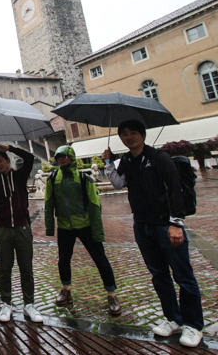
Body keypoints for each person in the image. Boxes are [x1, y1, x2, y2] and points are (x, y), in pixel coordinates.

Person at [103, 120, 204, 348]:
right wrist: (108, 162)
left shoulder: (159, 158)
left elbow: (175, 189)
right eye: (124, 134)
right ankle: (173, 319)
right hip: (142, 226)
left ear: (143, 134)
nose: (129, 137)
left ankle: (194, 325)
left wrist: (176, 223)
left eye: (133, 133)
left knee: (183, 276)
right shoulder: (127, 160)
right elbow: (119, 184)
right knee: (159, 276)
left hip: (165, 225)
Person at [44, 145, 121, 315]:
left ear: (71, 156)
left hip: (85, 225)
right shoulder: (53, 178)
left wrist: (97, 229)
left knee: (100, 260)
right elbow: (48, 203)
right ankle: (66, 289)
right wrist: (50, 227)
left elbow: (95, 205)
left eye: (64, 156)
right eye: (58, 157)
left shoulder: (84, 178)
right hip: (64, 226)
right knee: (63, 260)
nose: (61, 159)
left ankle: (112, 294)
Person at [0, 141, 43, 323]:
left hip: (22, 227)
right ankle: (6, 303)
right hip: (2, 230)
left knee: (26, 268)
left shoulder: (19, 176)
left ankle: (29, 304)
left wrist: (8, 147)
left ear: (7, 160)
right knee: (4, 268)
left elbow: (30, 157)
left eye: (1, 161)